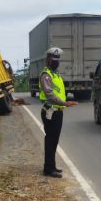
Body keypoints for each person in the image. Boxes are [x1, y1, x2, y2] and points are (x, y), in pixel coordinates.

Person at [39, 47, 77, 178]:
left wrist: (67, 101)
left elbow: (59, 92)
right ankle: (48, 169)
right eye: (54, 60)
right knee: (50, 139)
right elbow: (50, 95)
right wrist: (65, 103)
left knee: (54, 140)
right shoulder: (46, 75)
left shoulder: (56, 74)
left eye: (58, 60)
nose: (57, 62)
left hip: (58, 111)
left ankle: (52, 165)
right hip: (50, 110)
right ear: (48, 60)